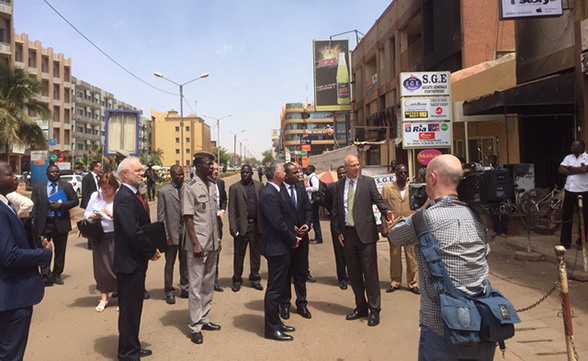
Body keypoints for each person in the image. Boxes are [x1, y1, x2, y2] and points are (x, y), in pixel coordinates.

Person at [387, 154, 495, 360]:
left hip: (440, 328)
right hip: (481, 322)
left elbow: (395, 235)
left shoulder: (426, 218)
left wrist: (423, 207)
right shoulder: (477, 218)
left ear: (433, 179)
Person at [0, 161, 53, 361]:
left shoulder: (6, 203)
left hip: (10, 296)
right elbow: (9, 255)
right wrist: (44, 254)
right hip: (11, 298)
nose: (16, 177)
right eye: (10, 173)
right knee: (10, 354)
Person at [331, 154, 391, 327]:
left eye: (358, 164)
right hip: (348, 235)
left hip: (365, 234)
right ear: (346, 168)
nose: (357, 167)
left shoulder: (368, 183)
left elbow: (378, 200)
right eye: (353, 165)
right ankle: (360, 306)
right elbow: (336, 212)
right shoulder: (338, 186)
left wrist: (386, 211)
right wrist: (338, 232)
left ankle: (375, 310)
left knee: (370, 274)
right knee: (354, 274)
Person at [113, 157, 162, 360]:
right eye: (138, 171)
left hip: (135, 261)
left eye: (142, 171)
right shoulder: (124, 197)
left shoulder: (133, 194)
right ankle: (127, 353)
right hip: (129, 262)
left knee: (134, 307)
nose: (142, 174)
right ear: (125, 174)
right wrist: (151, 251)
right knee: (129, 309)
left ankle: (132, 344)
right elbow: (133, 232)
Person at [182, 152, 221, 345]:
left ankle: (205, 318)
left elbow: (213, 217)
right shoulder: (189, 187)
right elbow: (188, 217)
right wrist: (196, 243)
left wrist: (218, 240)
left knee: (208, 283)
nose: (211, 167)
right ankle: (195, 325)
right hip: (198, 244)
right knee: (196, 286)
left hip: (212, 242)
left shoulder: (213, 185)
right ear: (198, 166)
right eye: (208, 164)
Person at [260, 161, 300, 341]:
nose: (285, 173)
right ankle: (271, 329)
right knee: (274, 290)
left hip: (282, 247)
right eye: (284, 170)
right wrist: (292, 239)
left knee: (280, 286)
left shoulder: (277, 190)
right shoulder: (269, 194)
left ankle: (276, 322)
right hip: (276, 248)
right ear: (277, 174)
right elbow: (278, 224)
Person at [31, 164, 79, 286]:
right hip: (44, 224)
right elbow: (34, 206)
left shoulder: (66, 186)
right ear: (47, 174)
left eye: (57, 172)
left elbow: (75, 201)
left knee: (60, 250)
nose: (55, 174)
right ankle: (46, 274)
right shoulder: (38, 188)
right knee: (43, 249)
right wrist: (32, 223)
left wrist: (61, 206)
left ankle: (57, 274)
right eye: (52, 172)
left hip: (60, 223)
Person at [279, 162, 313, 320]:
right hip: (286, 240)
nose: (299, 175)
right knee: (286, 274)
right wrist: (290, 229)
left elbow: (308, 209)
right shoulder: (277, 190)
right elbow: (276, 215)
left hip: (303, 238)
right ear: (286, 175)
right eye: (295, 173)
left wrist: (306, 225)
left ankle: (302, 304)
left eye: (299, 172)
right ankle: (285, 304)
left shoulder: (300, 187)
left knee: (300, 272)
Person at [381, 164, 419, 294]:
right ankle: (395, 281)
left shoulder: (413, 188)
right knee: (395, 255)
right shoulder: (387, 188)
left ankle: (413, 282)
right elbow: (383, 208)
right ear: (396, 174)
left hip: (410, 226)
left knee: (411, 256)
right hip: (394, 226)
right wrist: (384, 226)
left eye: (405, 173)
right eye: (401, 173)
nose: (403, 175)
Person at [84, 173, 119, 312]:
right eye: (103, 188)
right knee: (101, 268)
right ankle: (104, 297)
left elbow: (125, 216)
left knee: (116, 266)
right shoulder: (96, 196)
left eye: (108, 188)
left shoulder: (120, 197)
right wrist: (94, 215)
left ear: (114, 187)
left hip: (116, 235)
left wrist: (111, 215)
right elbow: (86, 213)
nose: (105, 191)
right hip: (99, 235)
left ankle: (121, 296)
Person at [228, 164, 264, 292]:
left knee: (255, 255)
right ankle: (237, 279)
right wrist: (232, 227)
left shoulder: (259, 186)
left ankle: (255, 278)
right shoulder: (235, 188)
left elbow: (263, 207)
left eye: (246, 173)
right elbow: (231, 210)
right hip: (241, 227)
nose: (244, 175)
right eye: (242, 173)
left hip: (256, 226)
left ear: (251, 173)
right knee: (239, 255)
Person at [157, 165, 189, 305]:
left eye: (182, 174)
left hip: (186, 232)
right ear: (171, 175)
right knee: (170, 263)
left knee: (185, 262)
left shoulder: (187, 189)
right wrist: (165, 234)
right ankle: (169, 291)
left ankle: (185, 287)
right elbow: (161, 216)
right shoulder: (164, 192)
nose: (181, 177)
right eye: (178, 175)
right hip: (171, 233)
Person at [558, 140, 588, 249]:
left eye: (574, 145)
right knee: (567, 216)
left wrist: (570, 168)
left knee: (584, 217)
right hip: (569, 190)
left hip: (583, 191)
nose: (572, 147)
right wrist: (576, 170)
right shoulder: (568, 157)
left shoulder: (586, 158)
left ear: (581, 147)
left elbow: (585, 169)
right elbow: (561, 169)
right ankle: (565, 241)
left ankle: (582, 241)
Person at [324, 165, 348, 290]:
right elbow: (327, 203)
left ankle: (354, 277)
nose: (342, 175)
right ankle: (342, 278)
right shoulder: (332, 188)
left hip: (350, 224)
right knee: (339, 253)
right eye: (340, 174)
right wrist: (335, 214)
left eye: (344, 173)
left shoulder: (352, 187)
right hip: (337, 225)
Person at [209, 162, 227, 292]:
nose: (216, 171)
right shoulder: (200, 184)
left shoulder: (220, 183)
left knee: (217, 250)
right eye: (213, 169)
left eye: (217, 169)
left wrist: (222, 210)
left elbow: (224, 199)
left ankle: (215, 281)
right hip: (204, 224)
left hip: (217, 222)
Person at [81, 161, 102, 250]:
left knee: (98, 222)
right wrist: (87, 206)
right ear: (95, 167)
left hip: (99, 203)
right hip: (90, 203)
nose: (101, 168)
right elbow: (85, 192)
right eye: (100, 166)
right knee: (90, 223)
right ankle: (90, 243)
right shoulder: (87, 178)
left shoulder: (100, 177)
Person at [488, 155, 508, 238]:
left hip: (501, 192)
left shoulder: (502, 170)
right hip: (492, 194)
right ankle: (497, 230)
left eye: (492, 159)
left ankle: (503, 231)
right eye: (489, 159)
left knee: (504, 212)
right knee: (494, 212)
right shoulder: (488, 171)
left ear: (496, 160)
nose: (490, 161)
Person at [305, 165, 323, 244]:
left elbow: (316, 188)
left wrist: (306, 189)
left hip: (313, 202)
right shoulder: (310, 178)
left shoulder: (313, 178)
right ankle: (317, 237)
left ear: (311, 170)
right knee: (314, 220)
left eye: (307, 170)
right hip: (311, 201)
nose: (306, 171)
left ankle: (318, 238)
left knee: (315, 220)